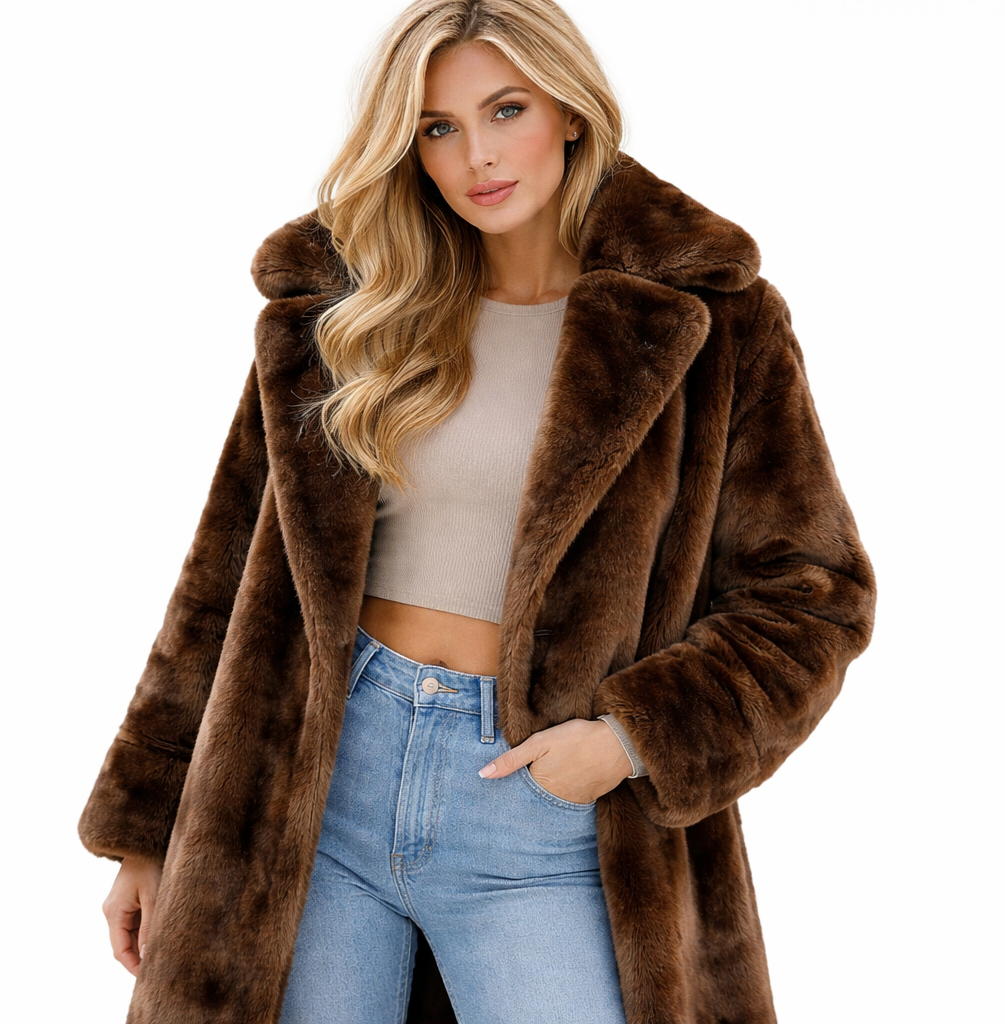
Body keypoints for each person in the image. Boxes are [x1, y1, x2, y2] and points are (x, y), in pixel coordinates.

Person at [79, 1, 876, 1022]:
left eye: (507, 110)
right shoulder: (348, 310)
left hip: (539, 804)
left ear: (571, 111)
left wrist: (629, 741)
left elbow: (812, 593)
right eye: (438, 128)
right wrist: (147, 829)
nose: (477, 157)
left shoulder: (708, 319)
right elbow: (223, 578)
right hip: (315, 785)